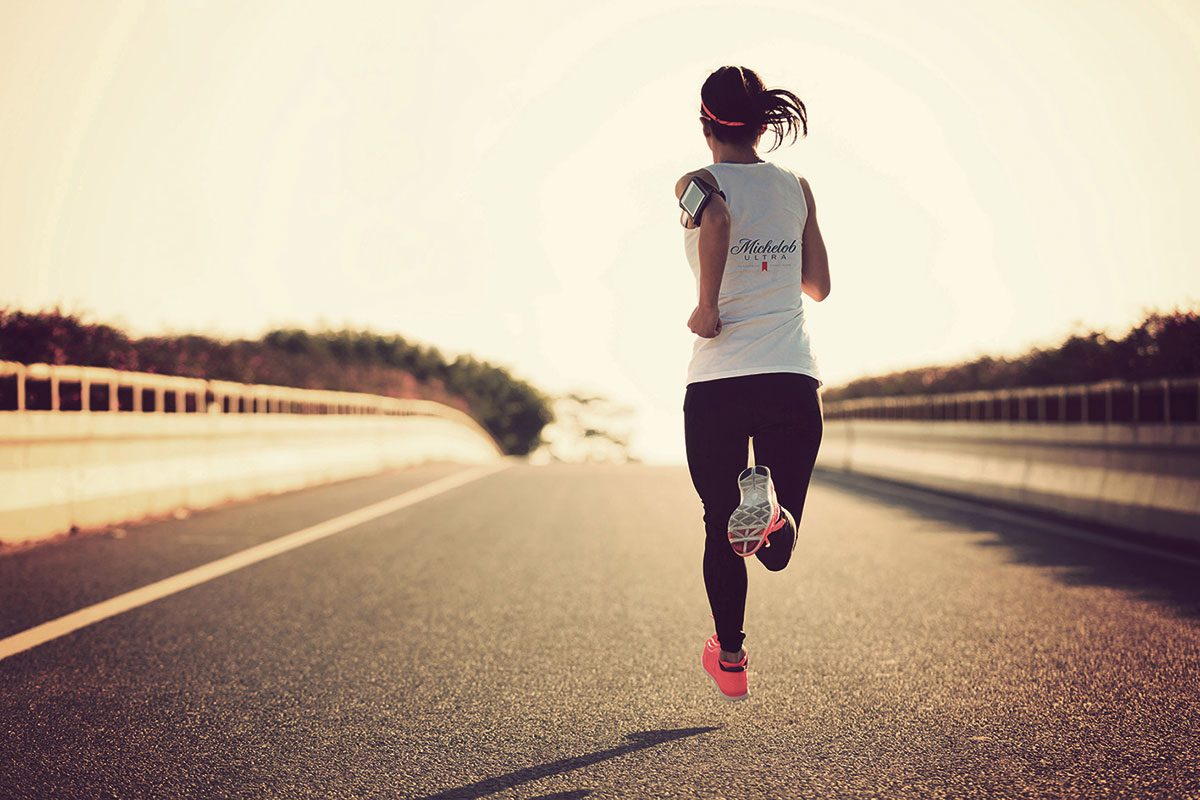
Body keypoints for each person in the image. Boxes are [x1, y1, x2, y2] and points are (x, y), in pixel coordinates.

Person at [675, 66, 830, 702]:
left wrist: (709, 305)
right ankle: (771, 516)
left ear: (706, 122)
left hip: (718, 383)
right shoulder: (797, 187)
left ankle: (732, 658)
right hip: (790, 380)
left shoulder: (695, 184)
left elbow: (712, 222)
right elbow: (818, 285)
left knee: (719, 523)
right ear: (765, 123)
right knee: (775, 546)